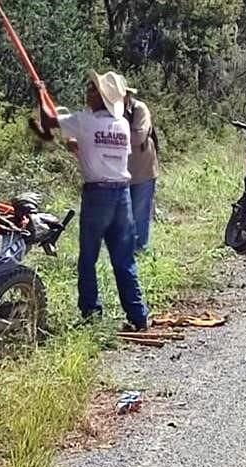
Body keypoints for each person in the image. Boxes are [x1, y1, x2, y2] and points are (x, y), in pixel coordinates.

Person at [43, 71, 150, 330]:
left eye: (92, 89)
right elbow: (106, 155)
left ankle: (91, 315)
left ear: (101, 97)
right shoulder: (122, 124)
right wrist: (78, 147)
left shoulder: (85, 122)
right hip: (121, 196)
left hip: (98, 196)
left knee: (88, 258)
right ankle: (138, 316)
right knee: (124, 260)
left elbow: (47, 120)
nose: (87, 92)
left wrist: (40, 91)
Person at [123, 85, 159, 253]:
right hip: (120, 172)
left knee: (140, 214)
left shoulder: (139, 109)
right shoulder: (106, 112)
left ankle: (141, 249)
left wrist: (112, 133)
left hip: (143, 170)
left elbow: (138, 136)